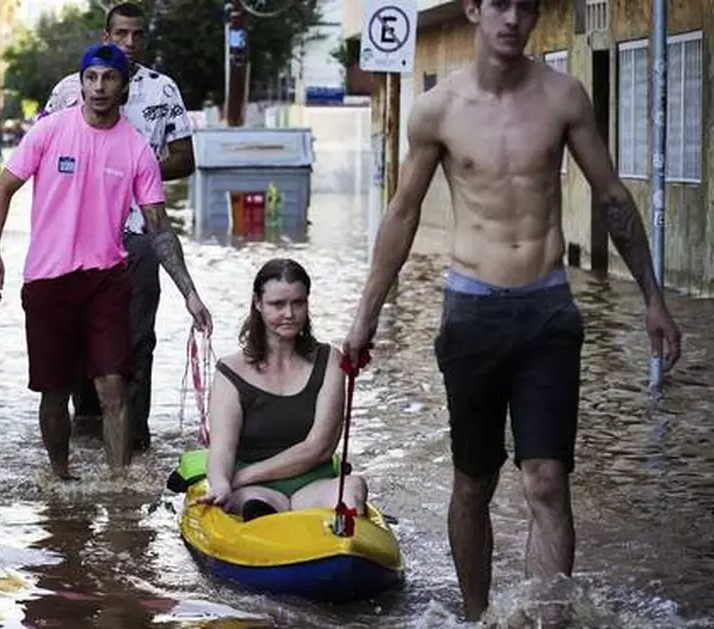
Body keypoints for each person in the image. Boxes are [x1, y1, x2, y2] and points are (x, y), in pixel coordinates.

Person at [342, 0, 683, 623]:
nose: (513, 20)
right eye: (500, 4)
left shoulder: (564, 97)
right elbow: (403, 213)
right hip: (472, 313)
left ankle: (547, 620)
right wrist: (366, 314)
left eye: (527, 8)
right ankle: (477, 617)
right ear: (472, 9)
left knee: (547, 480)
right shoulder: (438, 109)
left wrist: (653, 298)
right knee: (474, 482)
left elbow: (611, 197)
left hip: (548, 312)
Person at [0, 43, 209, 479]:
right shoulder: (49, 132)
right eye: (91, 78)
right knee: (54, 391)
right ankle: (61, 477)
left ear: (124, 88)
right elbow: (3, 188)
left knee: (113, 387)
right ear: (81, 83)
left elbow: (159, 228)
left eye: (109, 78)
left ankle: (119, 486)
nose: (99, 87)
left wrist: (190, 294)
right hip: (48, 280)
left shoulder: (137, 150)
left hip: (106, 279)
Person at [41, 2, 204, 452]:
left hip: (138, 232)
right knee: (73, 340)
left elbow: (185, 158)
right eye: (121, 34)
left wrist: (135, 169)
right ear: (105, 35)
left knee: (135, 338)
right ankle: (88, 425)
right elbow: (37, 158)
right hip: (72, 240)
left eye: (137, 35)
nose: (129, 43)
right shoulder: (66, 93)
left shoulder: (162, 90)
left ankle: (133, 435)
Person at [199, 258, 367, 520]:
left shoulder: (331, 361)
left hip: (313, 485)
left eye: (298, 303)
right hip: (255, 491)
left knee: (354, 487)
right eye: (277, 305)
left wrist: (240, 477)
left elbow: (319, 447)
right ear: (258, 304)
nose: (289, 314)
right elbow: (222, 449)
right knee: (254, 505)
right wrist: (221, 482)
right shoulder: (230, 371)